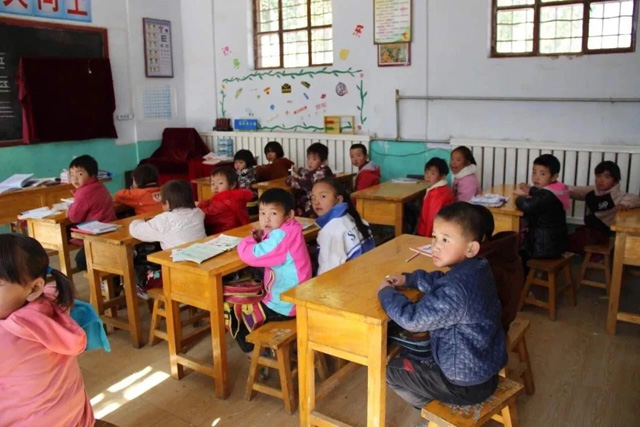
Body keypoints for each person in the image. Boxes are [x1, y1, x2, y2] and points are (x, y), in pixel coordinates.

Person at [378, 202, 506, 409]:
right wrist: (409, 279)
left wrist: (386, 293)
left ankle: (432, 412)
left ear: (471, 248)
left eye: (445, 240)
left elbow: (412, 319)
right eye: (434, 237)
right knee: (412, 352)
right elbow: (442, 281)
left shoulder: (455, 289)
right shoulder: (479, 268)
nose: (435, 246)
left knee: (388, 370)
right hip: (485, 369)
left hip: (463, 384)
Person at [0, 234, 94, 426]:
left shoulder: (7, 337)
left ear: (35, 288)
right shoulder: (51, 304)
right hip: (77, 420)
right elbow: (52, 289)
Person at [235, 188, 312, 354]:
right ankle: (262, 350)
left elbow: (252, 256)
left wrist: (248, 241)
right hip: (295, 298)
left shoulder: (283, 236)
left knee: (235, 312)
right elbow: (274, 244)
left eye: (273, 213)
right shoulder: (291, 228)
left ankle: (256, 354)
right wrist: (262, 237)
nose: (266, 219)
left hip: (285, 305)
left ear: (289, 215)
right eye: (262, 213)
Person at [129, 180, 206, 297]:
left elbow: (135, 231)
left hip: (177, 275)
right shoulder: (198, 213)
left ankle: (142, 286)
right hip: (200, 268)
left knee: (139, 270)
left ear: (168, 204)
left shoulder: (165, 220)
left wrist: (138, 220)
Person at [568, 161, 640, 256]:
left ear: (615, 180)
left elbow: (636, 199)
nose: (601, 180)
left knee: (570, 242)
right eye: (598, 176)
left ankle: (597, 256)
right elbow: (574, 191)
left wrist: (625, 203)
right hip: (589, 229)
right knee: (567, 240)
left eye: (607, 177)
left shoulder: (618, 195)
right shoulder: (592, 191)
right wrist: (556, 187)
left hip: (603, 233)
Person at [473, 204, 524, 332]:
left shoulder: (486, 268)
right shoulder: (502, 250)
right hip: (500, 321)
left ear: (481, 238)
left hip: (490, 331)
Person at [515, 154, 569, 271]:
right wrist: (530, 190)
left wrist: (518, 198)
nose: (536, 177)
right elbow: (540, 192)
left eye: (542, 174)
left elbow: (527, 205)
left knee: (516, 252)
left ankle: (524, 280)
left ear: (554, 176)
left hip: (543, 246)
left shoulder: (547, 195)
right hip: (556, 242)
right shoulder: (557, 188)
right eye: (534, 172)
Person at [311, 177, 375, 275]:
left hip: (352, 279)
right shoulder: (351, 216)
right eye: (313, 198)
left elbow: (329, 273)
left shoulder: (330, 231)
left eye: (323, 196)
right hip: (368, 271)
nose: (316, 202)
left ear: (338, 199)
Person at [67, 154, 116, 270]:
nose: (75, 179)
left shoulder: (83, 192)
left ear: (92, 174)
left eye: (79, 174)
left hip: (96, 234)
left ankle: (99, 276)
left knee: (81, 261)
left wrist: (69, 209)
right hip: (110, 228)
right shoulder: (100, 185)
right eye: (72, 175)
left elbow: (74, 217)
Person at [197, 167, 254, 235]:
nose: (215, 187)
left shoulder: (224, 200)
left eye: (220, 183)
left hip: (224, 234)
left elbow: (207, 216)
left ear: (232, 185)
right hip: (238, 231)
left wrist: (200, 205)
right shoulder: (236, 197)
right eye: (213, 184)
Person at [286, 142, 333, 217]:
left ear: (323, 161)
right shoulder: (325, 169)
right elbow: (308, 173)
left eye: (314, 159)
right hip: (323, 201)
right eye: (308, 159)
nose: (310, 162)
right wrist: (299, 170)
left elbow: (299, 184)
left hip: (314, 205)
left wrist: (289, 179)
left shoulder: (318, 174)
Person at [416, 158, 455, 237]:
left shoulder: (437, 194)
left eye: (433, 174)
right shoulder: (444, 189)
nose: (428, 176)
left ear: (442, 176)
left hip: (428, 234)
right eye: (426, 173)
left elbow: (432, 219)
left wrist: (427, 238)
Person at [234, 149, 259, 215]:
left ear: (248, 162)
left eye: (240, 162)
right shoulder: (242, 171)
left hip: (249, 205)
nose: (237, 165)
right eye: (236, 162)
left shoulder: (246, 173)